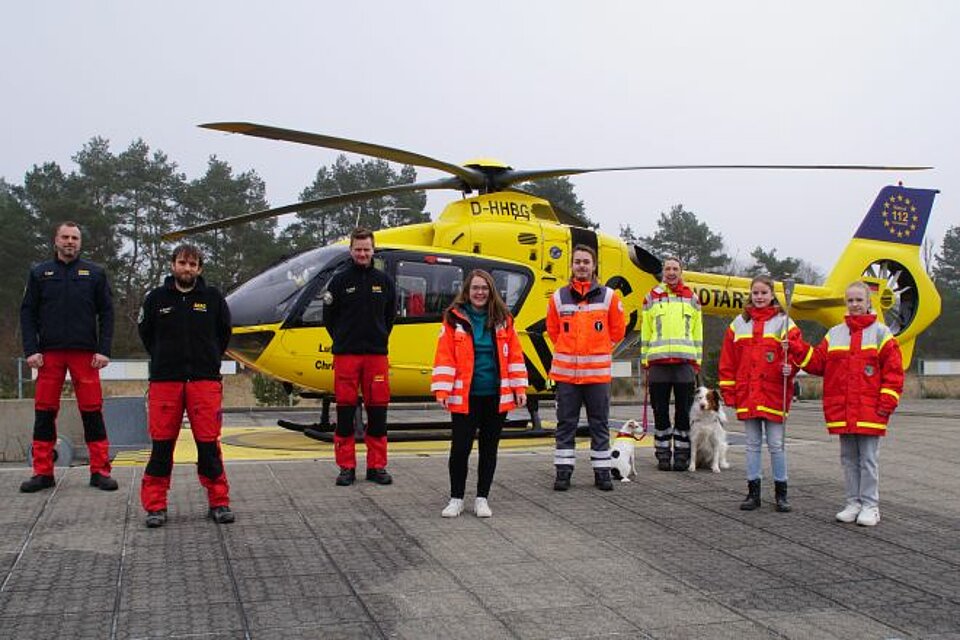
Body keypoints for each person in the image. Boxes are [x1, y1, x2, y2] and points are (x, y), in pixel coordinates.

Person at [138, 244, 234, 527]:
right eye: (182, 263)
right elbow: (146, 334)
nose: (187, 268)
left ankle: (219, 502)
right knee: (162, 447)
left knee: (208, 446)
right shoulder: (156, 299)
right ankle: (155, 506)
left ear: (199, 269)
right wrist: (164, 359)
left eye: (193, 264)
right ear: (173, 265)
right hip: (165, 383)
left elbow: (223, 334)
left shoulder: (213, 298)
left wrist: (208, 360)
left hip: (204, 382)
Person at [19, 221, 118, 493]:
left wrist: (104, 349)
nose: (70, 242)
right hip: (49, 354)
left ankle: (100, 471)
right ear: (56, 240)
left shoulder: (95, 273)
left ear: (80, 242)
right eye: (65, 237)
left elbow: (107, 313)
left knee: (92, 412)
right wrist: (31, 350)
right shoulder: (39, 273)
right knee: (44, 412)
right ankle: (42, 472)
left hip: (85, 354)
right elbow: (27, 313)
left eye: (75, 237)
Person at [801, 281, 903, 526]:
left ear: (869, 303)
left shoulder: (881, 333)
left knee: (868, 458)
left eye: (859, 300)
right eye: (850, 300)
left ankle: (870, 505)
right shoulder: (835, 333)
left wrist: (887, 402)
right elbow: (817, 363)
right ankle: (853, 502)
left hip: (870, 408)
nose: (854, 304)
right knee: (848, 458)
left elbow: (894, 372)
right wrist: (795, 345)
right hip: (843, 408)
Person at [432, 270, 528, 517]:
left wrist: (520, 388)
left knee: (489, 449)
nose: (479, 292)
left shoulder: (504, 319)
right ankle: (456, 499)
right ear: (467, 290)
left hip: (496, 396)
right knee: (460, 449)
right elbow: (445, 356)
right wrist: (442, 389)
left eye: (484, 288)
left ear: (491, 291)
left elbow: (515, 356)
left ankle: (482, 499)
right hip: (465, 396)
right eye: (475, 288)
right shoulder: (453, 319)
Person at [718, 275, 809, 512]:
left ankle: (781, 493)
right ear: (751, 295)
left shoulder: (784, 321)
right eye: (755, 293)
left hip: (773, 393)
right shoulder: (738, 324)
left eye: (763, 293)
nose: (759, 297)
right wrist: (729, 391)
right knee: (752, 444)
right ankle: (753, 493)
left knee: (777, 444)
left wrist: (792, 368)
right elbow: (728, 361)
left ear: (772, 295)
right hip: (748, 393)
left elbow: (797, 354)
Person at [547, 245, 626, 491]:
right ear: (571, 266)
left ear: (594, 266)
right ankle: (563, 473)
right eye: (578, 262)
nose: (582, 266)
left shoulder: (610, 297)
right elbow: (553, 331)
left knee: (600, 424)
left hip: (597, 376)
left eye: (586, 262)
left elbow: (618, 331)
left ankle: (602, 473)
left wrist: (600, 348)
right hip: (567, 377)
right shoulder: (558, 297)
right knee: (565, 425)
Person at [325, 227, 397, 486]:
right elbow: (329, 318)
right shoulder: (339, 281)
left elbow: (390, 317)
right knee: (344, 413)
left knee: (378, 413)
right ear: (351, 250)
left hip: (376, 355)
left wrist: (377, 338)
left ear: (373, 249)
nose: (363, 253)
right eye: (358, 249)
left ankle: (377, 467)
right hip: (346, 355)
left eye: (367, 249)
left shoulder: (384, 282)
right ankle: (346, 467)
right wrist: (345, 339)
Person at [641, 256, 702, 472]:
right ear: (663, 272)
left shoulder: (692, 299)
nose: (671, 272)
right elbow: (645, 331)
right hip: (658, 365)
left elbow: (697, 333)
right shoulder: (651, 298)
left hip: (685, 365)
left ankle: (682, 456)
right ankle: (663, 454)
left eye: (675, 268)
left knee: (684, 413)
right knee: (660, 412)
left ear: (681, 271)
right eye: (667, 269)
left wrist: (698, 362)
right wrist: (645, 359)